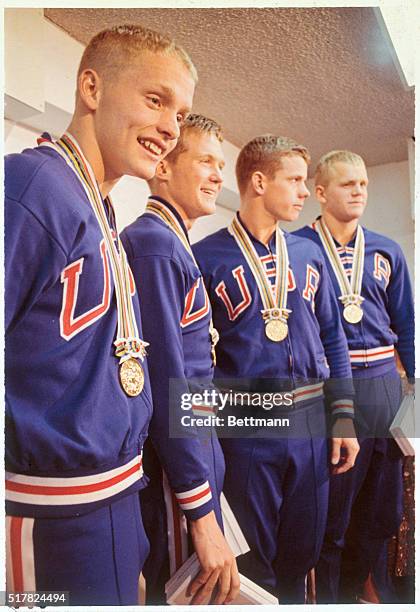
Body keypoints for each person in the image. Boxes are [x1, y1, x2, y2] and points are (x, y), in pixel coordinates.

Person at [5, 24, 196, 606]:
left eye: (182, 114)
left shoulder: (103, 209)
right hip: (48, 510)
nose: (171, 128)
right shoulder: (31, 185)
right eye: (156, 100)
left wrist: (121, 542)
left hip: (112, 502)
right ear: (91, 87)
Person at [193, 135, 359, 603]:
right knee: (252, 562)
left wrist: (343, 415)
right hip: (246, 428)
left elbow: (334, 338)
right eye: (295, 180)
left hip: (309, 424)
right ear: (260, 182)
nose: (305, 192)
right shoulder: (205, 258)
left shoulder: (309, 256)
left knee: (302, 553)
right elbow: (195, 364)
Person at [121, 114, 239, 606]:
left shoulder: (172, 242)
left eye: (222, 164)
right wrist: (201, 513)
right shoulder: (154, 245)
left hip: (192, 463)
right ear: (163, 167)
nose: (218, 176)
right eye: (206, 161)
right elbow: (171, 390)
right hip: (174, 477)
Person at [294, 150, 414, 603]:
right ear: (320, 193)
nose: (360, 191)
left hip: (386, 387)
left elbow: (407, 325)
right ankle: (326, 600)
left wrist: (415, 402)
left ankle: (358, 591)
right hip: (333, 392)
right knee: (332, 515)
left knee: (384, 513)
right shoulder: (298, 249)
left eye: (363, 183)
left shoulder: (387, 250)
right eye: (348, 184)